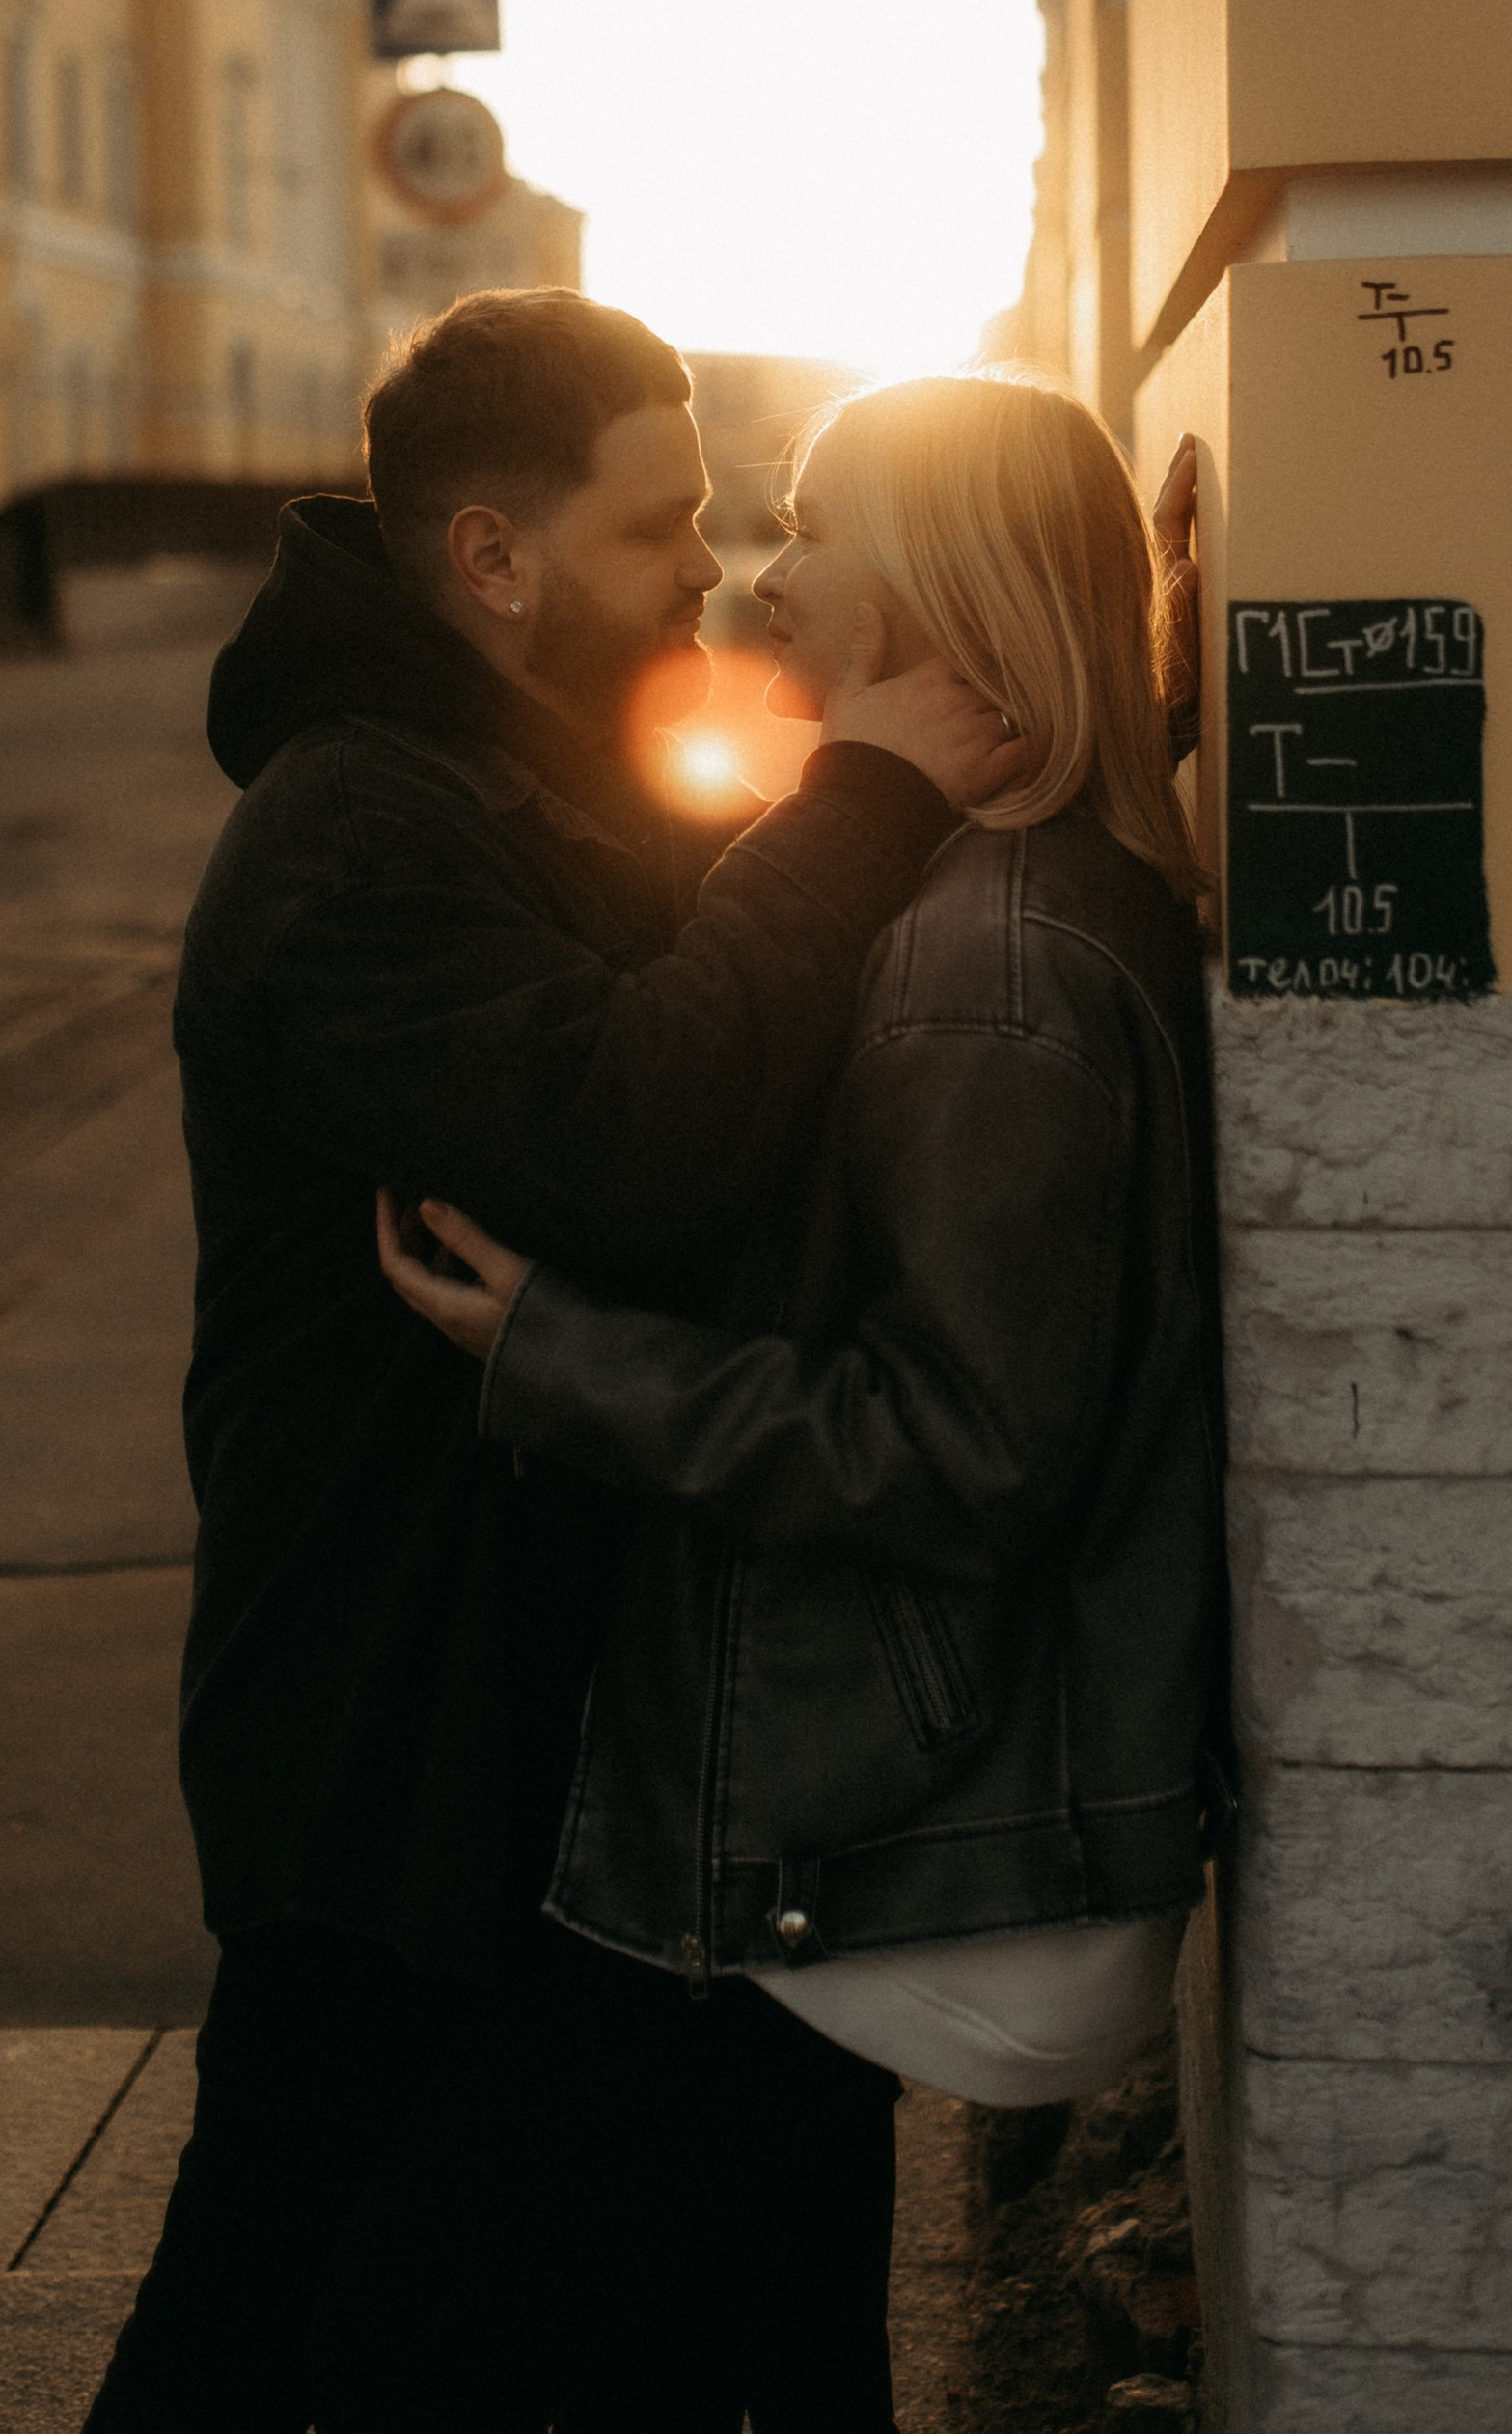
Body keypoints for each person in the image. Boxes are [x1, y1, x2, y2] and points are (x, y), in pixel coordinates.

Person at [84, 292, 1027, 2434]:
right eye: (654, 525)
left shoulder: (526, 772)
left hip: (548, 1700)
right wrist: (865, 797)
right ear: (492, 555)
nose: (696, 566)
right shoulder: (350, 838)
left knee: (536, 2279)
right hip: (392, 1721)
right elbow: (629, 1132)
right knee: (270, 2288)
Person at [380, 371, 1230, 2432]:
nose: (760, 581)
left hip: (854, 1816)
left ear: (940, 584)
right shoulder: (1032, 891)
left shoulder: (983, 965)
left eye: (811, 527)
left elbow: (961, 1444)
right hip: (866, 1783)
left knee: (690, 2342)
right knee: (764, 2329)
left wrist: (557, 1354)